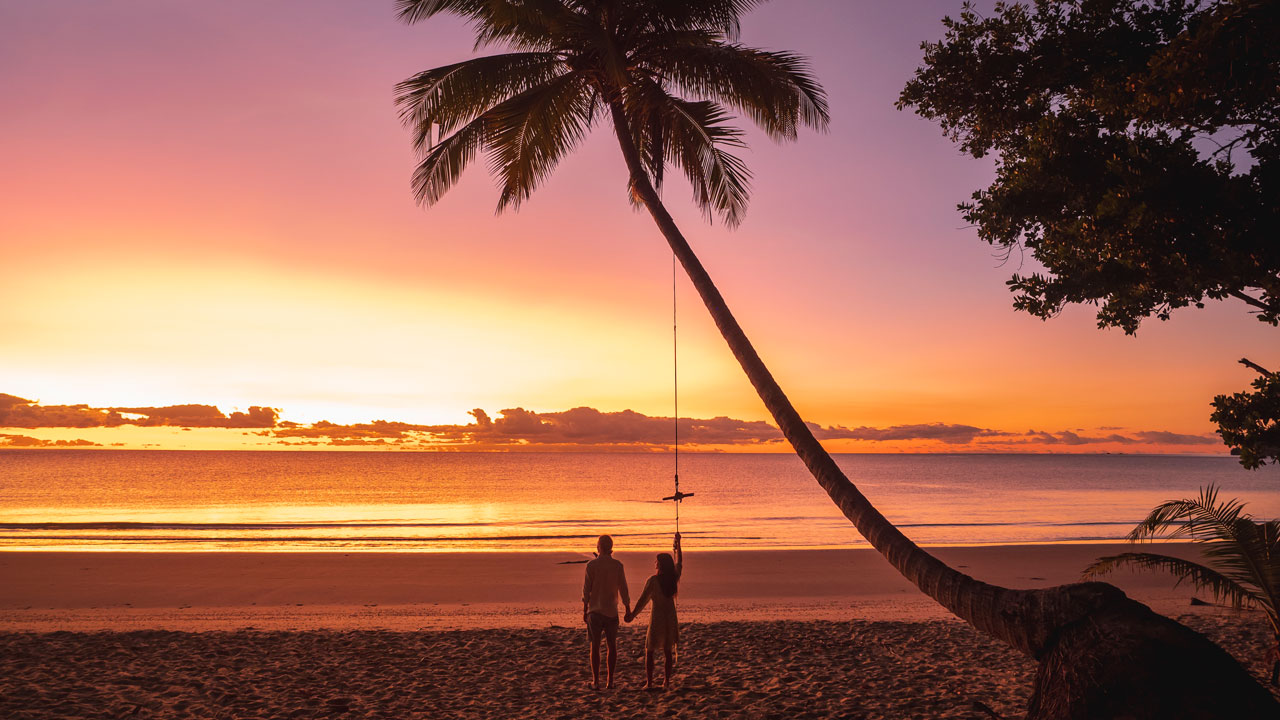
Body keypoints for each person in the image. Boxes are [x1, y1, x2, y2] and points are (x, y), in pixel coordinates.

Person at [625, 532, 682, 690]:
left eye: (656, 561)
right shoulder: (673, 578)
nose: (654, 563)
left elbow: (642, 601)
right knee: (667, 650)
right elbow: (680, 563)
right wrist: (678, 545)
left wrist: (632, 616)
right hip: (670, 616)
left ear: (660, 564)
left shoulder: (653, 581)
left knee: (650, 650)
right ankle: (666, 682)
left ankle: (649, 682)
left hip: (657, 617)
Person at [582, 534, 630, 690]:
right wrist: (627, 607)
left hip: (595, 610)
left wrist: (585, 609)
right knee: (612, 645)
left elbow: (586, 590)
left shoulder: (591, 565)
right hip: (611, 610)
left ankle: (596, 681)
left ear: (599, 547)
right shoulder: (618, 565)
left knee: (594, 646)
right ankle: (610, 680)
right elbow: (623, 588)